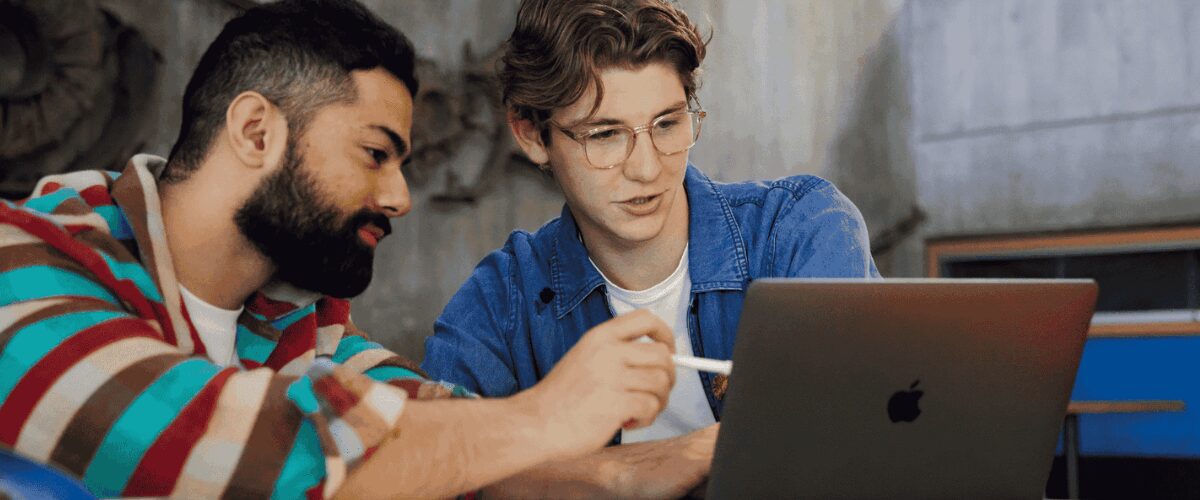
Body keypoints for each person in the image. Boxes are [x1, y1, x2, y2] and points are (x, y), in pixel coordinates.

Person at [0, 1, 678, 498]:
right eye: (376, 153)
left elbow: (458, 444)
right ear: (257, 132)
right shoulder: (21, 268)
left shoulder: (297, 327)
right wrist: (549, 414)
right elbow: (248, 461)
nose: (400, 197)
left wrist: (687, 459)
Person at [422, 0, 879, 495]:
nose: (647, 169)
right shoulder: (501, 302)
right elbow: (428, 470)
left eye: (667, 124)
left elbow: (850, 445)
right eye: (605, 134)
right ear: (531, 135)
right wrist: (628, 471)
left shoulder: (801, 226)